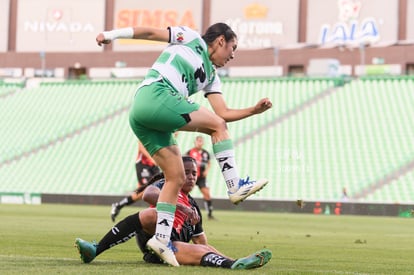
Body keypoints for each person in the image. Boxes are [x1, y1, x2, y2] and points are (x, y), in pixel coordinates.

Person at [95, 22, 273, 266]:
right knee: (217, 127)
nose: (233, 54)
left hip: (145, 117)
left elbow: (223, 112)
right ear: (220, 40)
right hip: (156, 94)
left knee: (175, 178)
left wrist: (253, 110)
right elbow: (148, 31)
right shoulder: (190, 38)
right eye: (233, 47)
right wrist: (111, 35)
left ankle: (161, 239)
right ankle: (235, 187)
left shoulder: (212, 76)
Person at [74, 156, 272, 269]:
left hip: (173, 247)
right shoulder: (167, 186)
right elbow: (148, 195)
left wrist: (227, 256)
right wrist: (180, 207)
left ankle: (235, 264)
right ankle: (96, 249)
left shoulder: (195, 207)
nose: (191, 177)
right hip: (155, 239)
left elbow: (202, 243)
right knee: (152, 214)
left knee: (202, 250)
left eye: (194, 173)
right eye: (186, 172)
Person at [110, 140, 160, 222]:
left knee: (142, 193)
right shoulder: (147, 129)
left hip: (154, 166)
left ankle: (118, 205)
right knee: (150, 189)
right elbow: (141, 146)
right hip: (143, 164)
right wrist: (152, 159)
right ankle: (153, 217)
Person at [187, 135, 214, 219]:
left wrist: (207, 170)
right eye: (198, 141)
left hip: (201, 177)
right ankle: (186, 211)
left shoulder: (205, 153)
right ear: (195, 142)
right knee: (185, 193)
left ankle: (210, 214)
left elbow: (209, 163)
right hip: (191, 177)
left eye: (201, 141)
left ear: (203, 143)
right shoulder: (189, 152)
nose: (199, 143)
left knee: (207, 194)